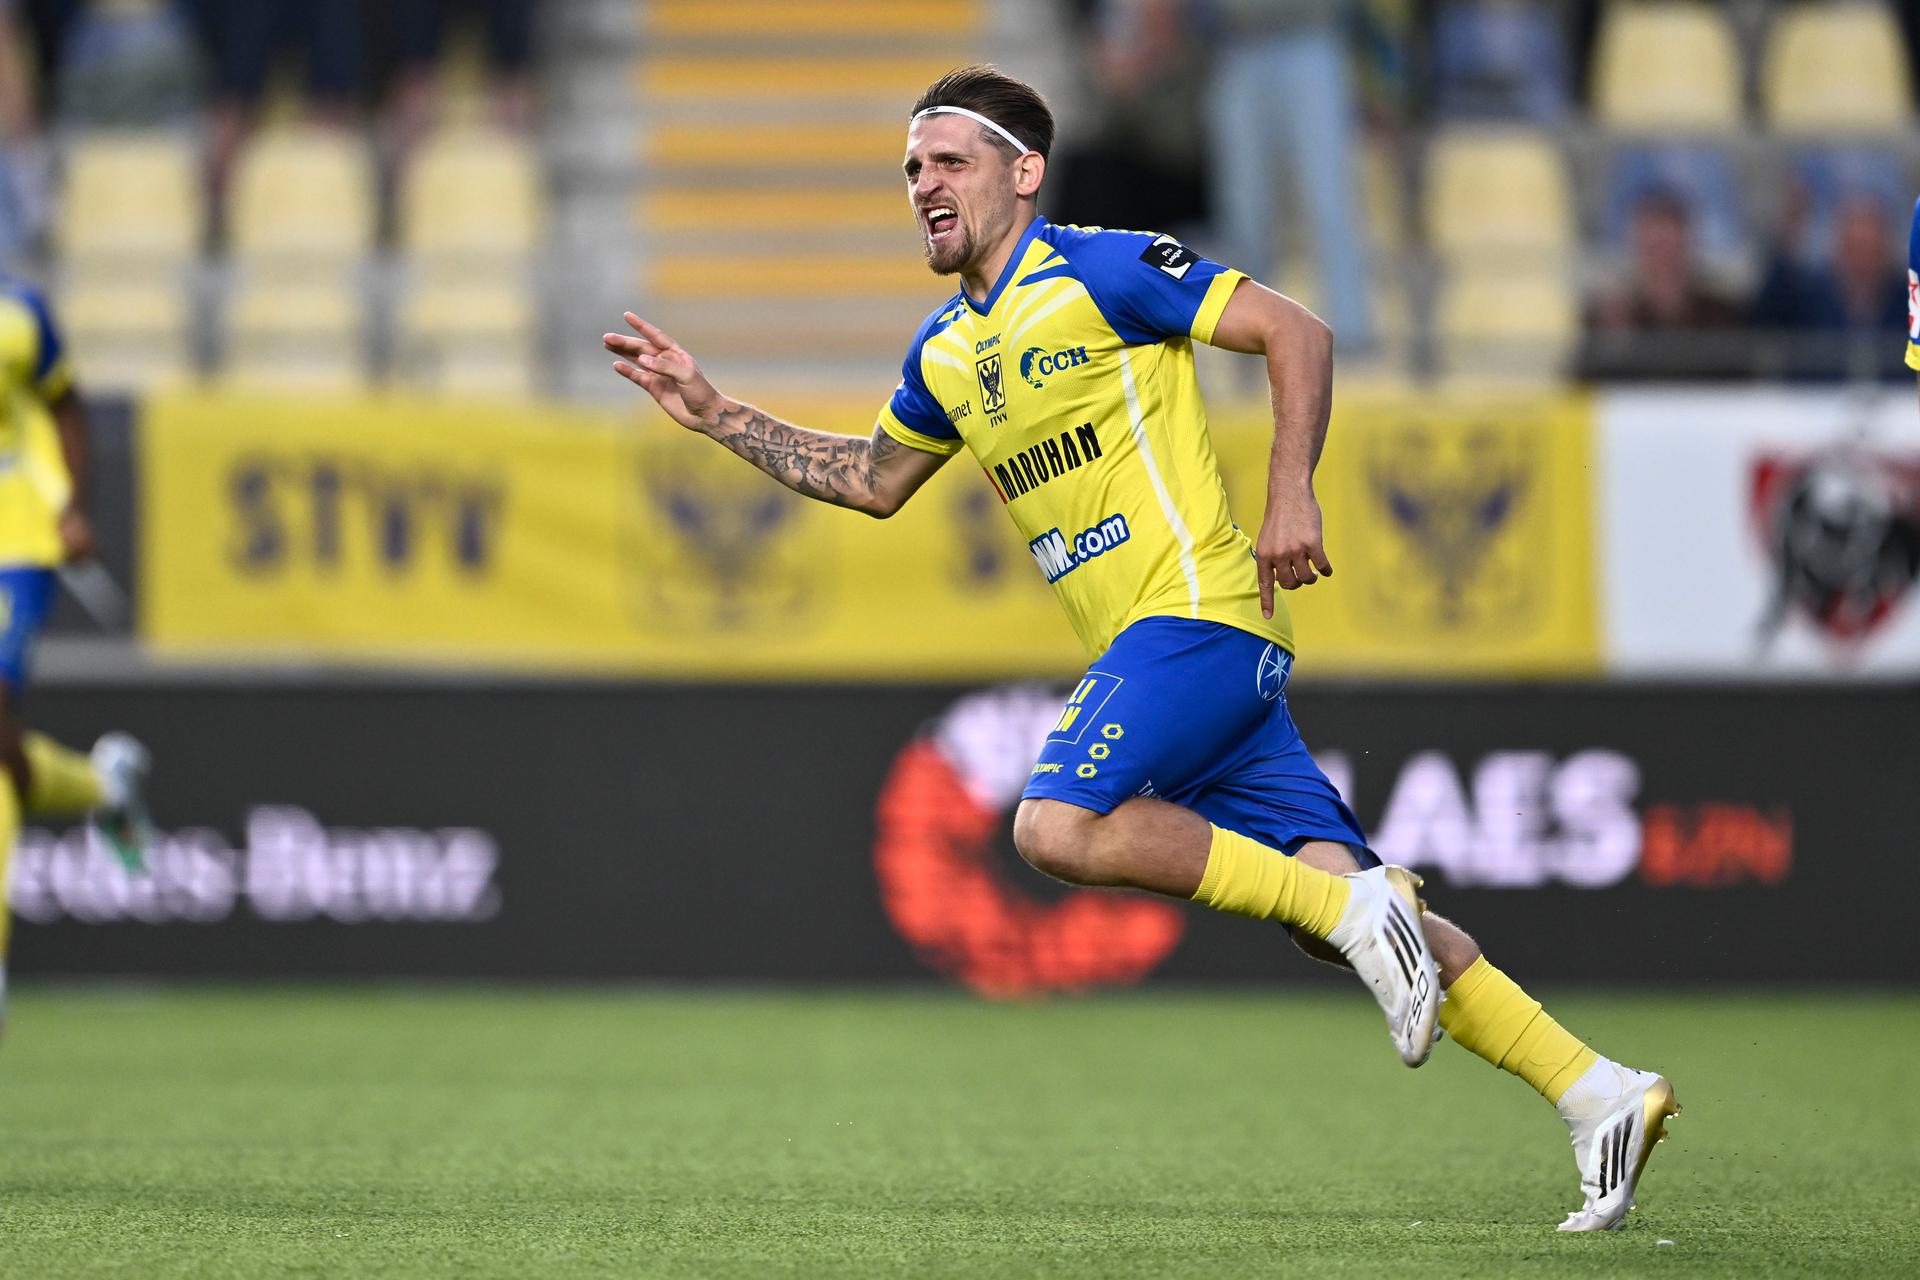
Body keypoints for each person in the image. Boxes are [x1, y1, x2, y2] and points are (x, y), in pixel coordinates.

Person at [603, 64, 1675, 1232]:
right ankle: (1596, 1089)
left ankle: (1370, 912)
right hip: (1184, 662)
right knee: (1339, 915)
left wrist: (1290, 498)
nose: (924, 185)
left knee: (1053, 824)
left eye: (950, 161)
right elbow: (869, 480)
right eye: (912, 167)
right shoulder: (945, 354)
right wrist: (716, 414)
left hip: (1204, 612)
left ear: (1024, 173)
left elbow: (1294, 330)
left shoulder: (1101, 266)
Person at [0, 276, 152, 1032]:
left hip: (12, 539)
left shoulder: (17, 316)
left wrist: (71, 508)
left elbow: (65, 406)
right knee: (4, 755)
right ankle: (102, 785)